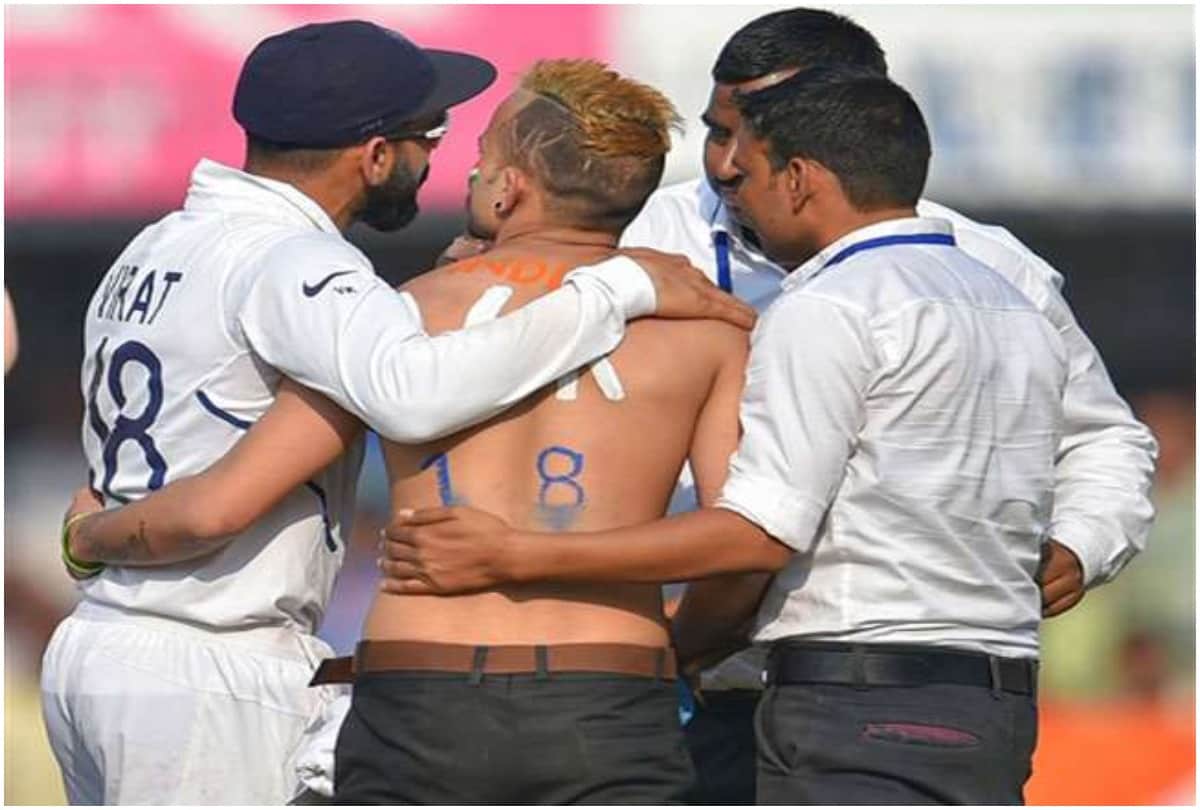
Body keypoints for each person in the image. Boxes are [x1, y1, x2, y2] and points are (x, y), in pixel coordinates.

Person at [42, 21, 750, 806]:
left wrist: (93, 535)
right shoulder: (703, 327)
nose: (447, 163)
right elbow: (742, 541)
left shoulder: (164, 248)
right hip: (225, 667)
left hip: (323, 675)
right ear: (375, 156)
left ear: (510, 187)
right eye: (432, 138)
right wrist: (621, 288)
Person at [380, 68, 1078, 804]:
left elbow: (758, 537)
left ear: (800, 178)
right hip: (991, 698)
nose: (731, 188)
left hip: (851, 696)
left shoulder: (826, 307)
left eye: (748, 172)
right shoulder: (1017, 302)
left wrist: (523, 556)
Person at [612, 8, 1159, 803]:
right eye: (716, 130)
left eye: (755, 134)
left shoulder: (990, 265)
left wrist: (1081, 541)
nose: (728, 165)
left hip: (862, 682)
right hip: (684, 690)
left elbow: (1104, 439)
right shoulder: (642, 239)